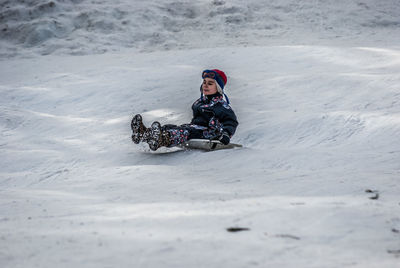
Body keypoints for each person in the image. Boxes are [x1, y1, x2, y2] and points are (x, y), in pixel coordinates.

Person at [131, 69, 239, 151]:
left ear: (218, 87)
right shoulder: (200, 102)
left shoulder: (221, 105)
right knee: (171, 127)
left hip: (209, 134)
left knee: (183, 132)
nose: (205, 85)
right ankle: (144, 134)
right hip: (195, 129)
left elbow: (231, 121)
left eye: (210, 83)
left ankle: (161, 139)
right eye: (204, 82)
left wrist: (225, 134)